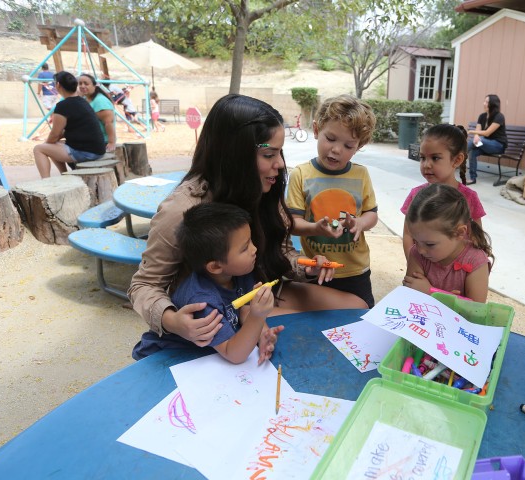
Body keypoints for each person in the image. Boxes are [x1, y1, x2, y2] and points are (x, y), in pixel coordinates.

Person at [128, 94, 368, 347]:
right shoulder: (181, 210)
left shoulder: (264, 189)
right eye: (269, 155)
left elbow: (280, 252)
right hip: (221, 311)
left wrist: (306, 267)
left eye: (280, 153)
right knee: (298, 341)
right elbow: (144, 284)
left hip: (260, 293)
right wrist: (172, 320)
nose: (280, 164)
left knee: (355, 309)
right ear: (235, 154)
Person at [132, 203, 283, 364]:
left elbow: (244, 311)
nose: (254, 249)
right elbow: (234, 354)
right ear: (216, 266)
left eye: (251, 240)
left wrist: (263, 334)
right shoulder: (201, 299)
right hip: (168, 359)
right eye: (245, 248)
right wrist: (257, 316)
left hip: (205, 357)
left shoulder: (240, 272)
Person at [286, 94, 378, 307]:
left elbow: (371, 214)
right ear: (317, 130)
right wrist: (316, 228)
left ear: (359, 146)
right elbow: (294, 223)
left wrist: (360, 223)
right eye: (331, 139)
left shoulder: (361, 175)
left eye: (349, 146)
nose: (337, 149)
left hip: (356, 270)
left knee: (360, 320)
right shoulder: (301, 174)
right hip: (317, 268)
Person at [400, 124, 486, 258]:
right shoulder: (416, 195)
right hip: (424, 266)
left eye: (435, 158)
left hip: (458, 270)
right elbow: (408, 235)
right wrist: (413, 266)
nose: (426, 165)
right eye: (422, 158)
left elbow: (477, 237)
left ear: (457, 160)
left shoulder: (469, 197)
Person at [403, 184, 494, 303]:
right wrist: (451, 300)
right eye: (416, 240)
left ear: (459, 232)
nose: (420, 250)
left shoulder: (475, 261)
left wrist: (432, 293)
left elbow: (476, 310)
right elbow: (409, 296)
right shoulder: (417, 254)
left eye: (430, 244)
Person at [33, 71, 106, 178]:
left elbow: (55, 134)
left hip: (88, 153)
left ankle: (46, 182)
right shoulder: (82, 101)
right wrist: (50, 144)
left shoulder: (63, 106)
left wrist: (47, 144)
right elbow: (63, 133)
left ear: (58, 85)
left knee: (39, 149)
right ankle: (65, 175)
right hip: (97, 149)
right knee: (51, 146)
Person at [466, 94, 508, 184]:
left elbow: (487, 133)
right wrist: (476, 136)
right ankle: (473, 178)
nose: (484, 103)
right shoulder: (482, 116)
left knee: (478, 141)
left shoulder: (499, 116)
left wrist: (471, 132)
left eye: (486, 102)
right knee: (473, 152)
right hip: (484, 145)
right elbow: (478, 130)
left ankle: (457, 155)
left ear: (492, 104)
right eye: (484, 101)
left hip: (497, 146)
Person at [78, 74, 117, 153]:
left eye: (86, 83)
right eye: (80, 83)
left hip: (101, 141)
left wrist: (111, 142)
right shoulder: (86, 98)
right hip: (90, 139)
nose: (82, 86)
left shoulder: (100, 101)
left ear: (94, 85)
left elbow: (108, 123)